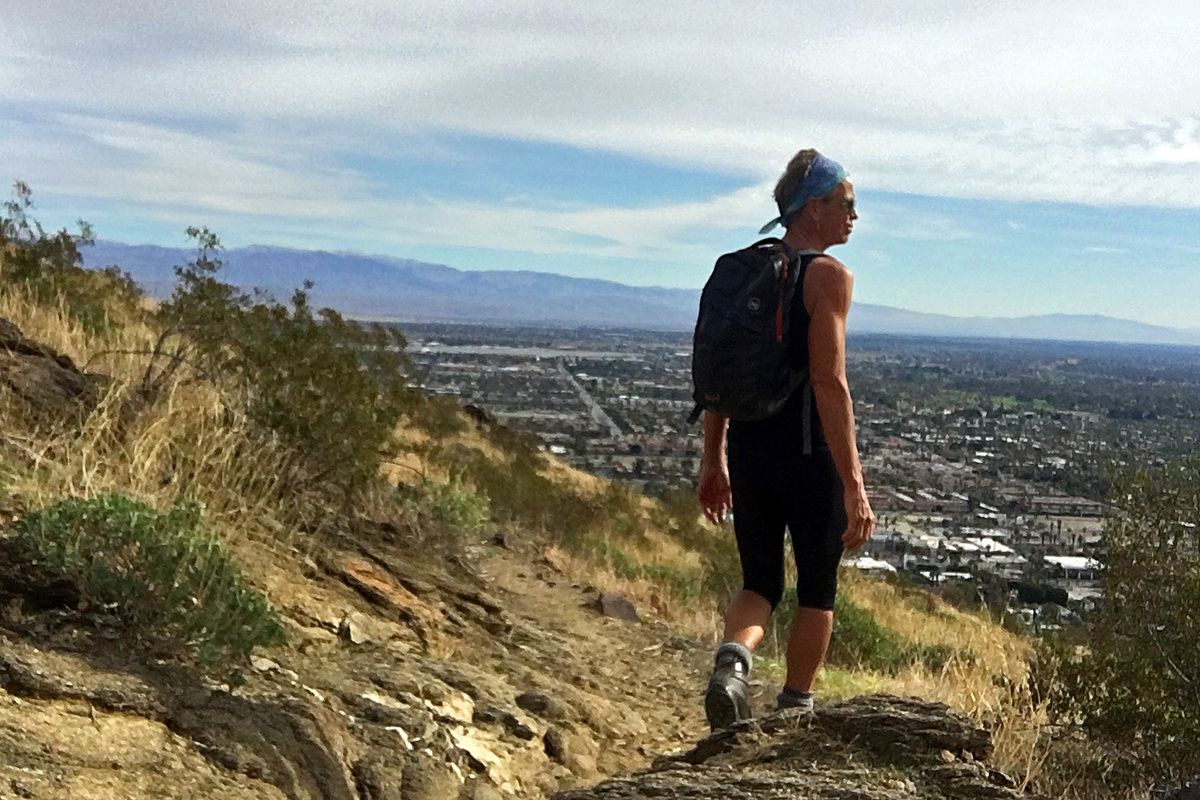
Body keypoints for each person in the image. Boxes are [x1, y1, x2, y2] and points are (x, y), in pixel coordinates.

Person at [697, 149, 876, 728]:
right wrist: (853, 484)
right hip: (808, 454)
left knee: (759, 582)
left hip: (750, 451)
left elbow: (721, 379)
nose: (854, 216)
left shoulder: (743, 269)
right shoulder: (827, 276)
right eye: (846, 204)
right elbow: (830, 382)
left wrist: (713, 459)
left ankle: (733, 662)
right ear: (814, 208)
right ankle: (795, 705)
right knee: (818, 588)